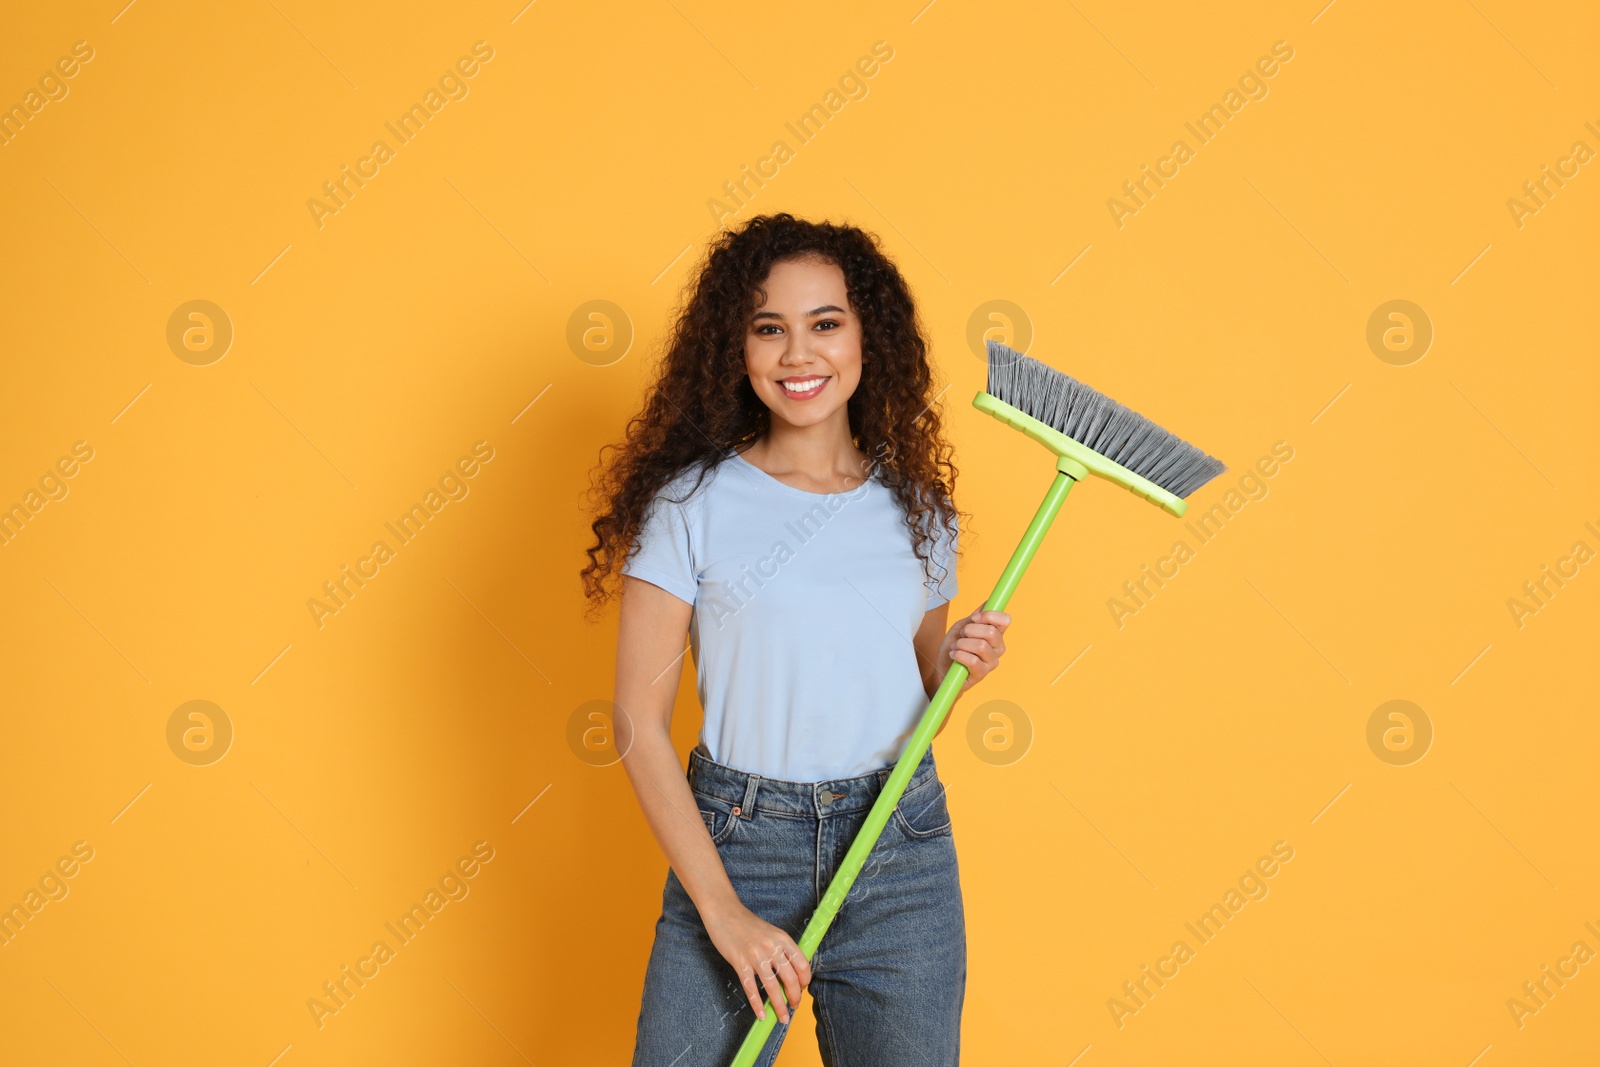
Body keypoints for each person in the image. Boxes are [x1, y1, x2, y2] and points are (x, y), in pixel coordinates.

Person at [581, 213, 1011, 1066]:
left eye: (825, 324)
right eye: (768, 328)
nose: (798, 354)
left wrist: (959, 658)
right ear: (735, 349)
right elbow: (636, 719)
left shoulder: (917, 510)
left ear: (866, 337)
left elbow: (921, 688)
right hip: (740, 844)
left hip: (899, 848)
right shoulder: (690, 505)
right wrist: (725, 911)